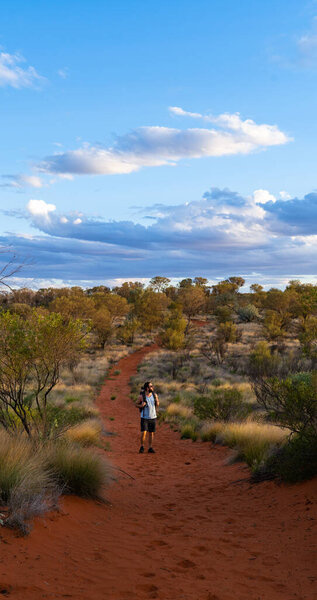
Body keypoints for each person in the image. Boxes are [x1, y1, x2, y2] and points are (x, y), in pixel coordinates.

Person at [136, 381, 159, 453]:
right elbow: (136, 404)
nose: (152, 387)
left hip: (153, 417)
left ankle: (150, 447)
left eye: (152, 386)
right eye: (151, 386)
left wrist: (157, 403)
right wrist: (141, 405)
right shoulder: (141, 396)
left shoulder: (155, 395)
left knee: (151, 433)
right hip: (144, 417)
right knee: (144, 432)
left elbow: (157, 403)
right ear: (147, 388)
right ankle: (142, 446)